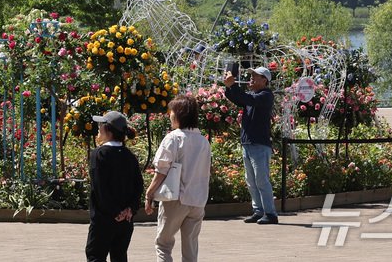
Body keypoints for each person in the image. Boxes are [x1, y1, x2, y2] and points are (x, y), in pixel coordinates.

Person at [145, 94, 212, 262]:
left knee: (163, 244)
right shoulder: (204, 142)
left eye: (172, 112)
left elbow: (162, 169)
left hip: (176, 198)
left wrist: (150, 193)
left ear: (179, 114)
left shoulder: (174, 138)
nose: (170, 115)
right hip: (197, 200)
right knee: (190, 249)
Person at [86, 110, 144, 262]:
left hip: (104, 219)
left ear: (108, 130)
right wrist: (130, 209)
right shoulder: (130, 156)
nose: (99, 128)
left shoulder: (99, 155)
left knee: (95, 256)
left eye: (101, 125)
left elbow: (100, 188)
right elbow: (138, 185)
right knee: (119, 256)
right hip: (125, 220)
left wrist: (115, 212)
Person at [224, 65, 278, 224]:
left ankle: (270, 213)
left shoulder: (266, 95)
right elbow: (238, 98)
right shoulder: (253, 95)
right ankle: (258, 211)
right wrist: (228, 87)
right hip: (248, 143)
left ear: (264, 80)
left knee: (261, 180)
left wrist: (233, 85)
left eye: (256, 76)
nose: (252, 78)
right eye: (252, 75)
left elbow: (248, 99)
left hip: (259, 144)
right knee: (251, 181)